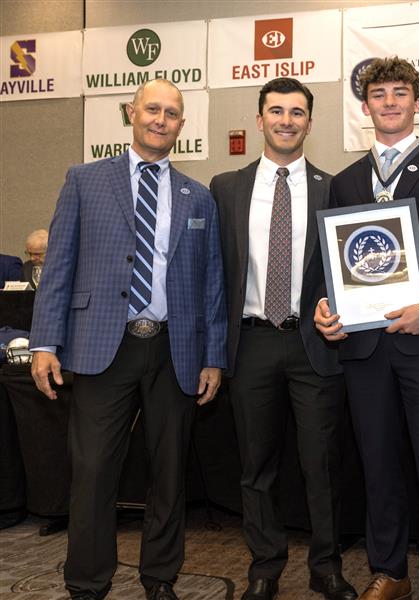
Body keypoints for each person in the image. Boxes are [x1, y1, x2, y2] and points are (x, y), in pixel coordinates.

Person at [29, 78, 227, 600]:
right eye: (152, 109)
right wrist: (44, 342)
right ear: (130, 113)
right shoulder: (84, 180)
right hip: (101, 345)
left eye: (172, 113)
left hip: (174, 350)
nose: (161, 119)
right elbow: (59, 265)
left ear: (182, 125)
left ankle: (160, 578)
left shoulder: (199, 196)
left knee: (169, 473)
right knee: (93, 471)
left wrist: (214, 356)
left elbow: (212, 283)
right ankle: (87, 583)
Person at [315, 57, 419, 600]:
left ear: (417, 102)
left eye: (399, 92)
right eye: (379, 94)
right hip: (364, 347)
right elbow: (335, 265)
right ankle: (391, 573)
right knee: (377, 466)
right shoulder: (344, 182)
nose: (389, 102)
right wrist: (325, 307)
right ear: (365, 107)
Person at [209, 78, 356, 600]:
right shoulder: (225, 187)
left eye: (297, 112)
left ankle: (326, 566)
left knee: (322, 465)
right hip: (249, 344)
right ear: (259, 119)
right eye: (276, 111)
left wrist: (338, 306)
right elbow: (214, 272)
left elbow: (343, 268)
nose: (286, 121)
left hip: (313, 344)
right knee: (256, 466)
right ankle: (264, 568)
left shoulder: (332, 188)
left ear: (310, 123)